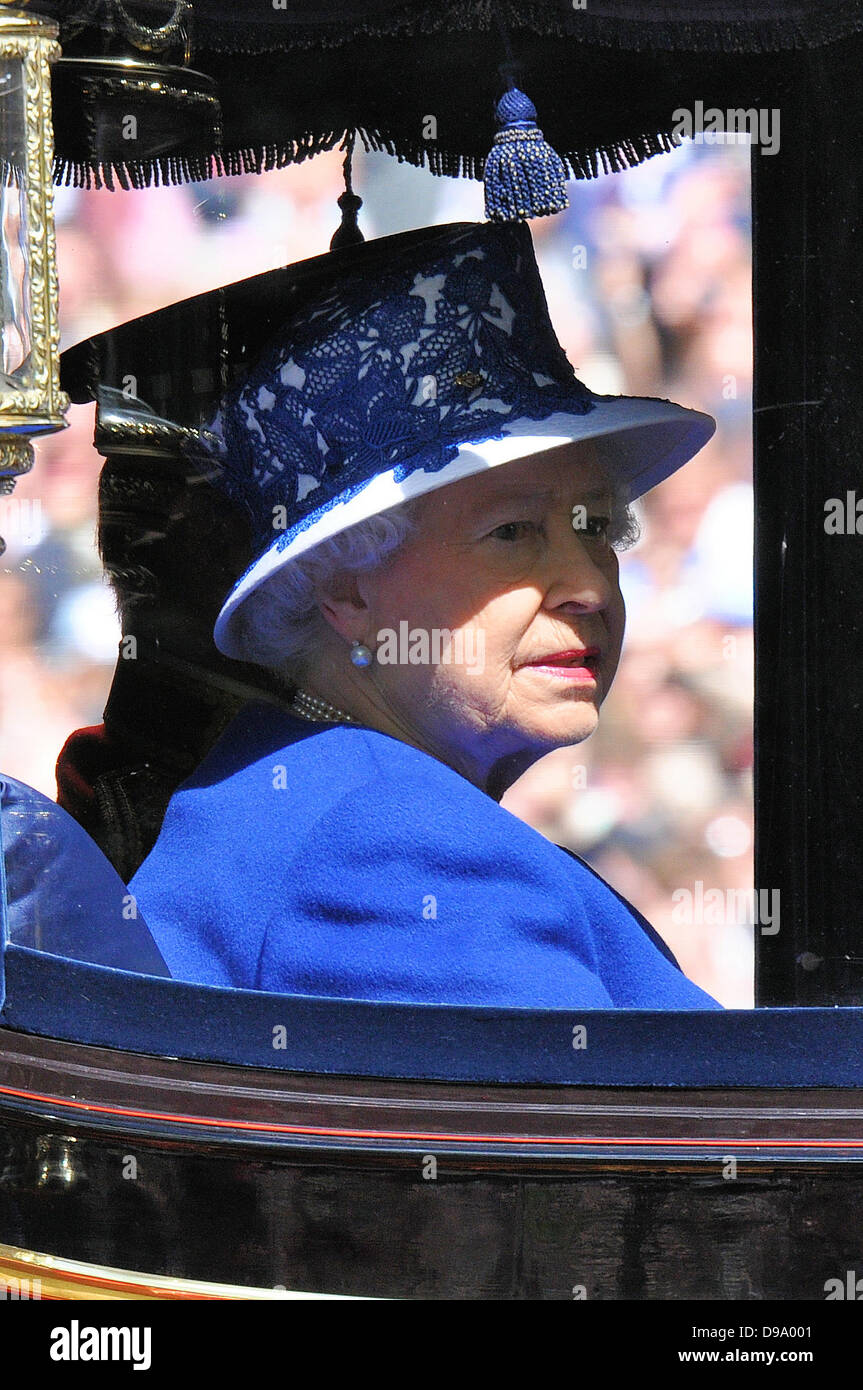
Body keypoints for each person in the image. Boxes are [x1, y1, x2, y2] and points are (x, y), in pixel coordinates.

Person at [129, 219, 722, 1009]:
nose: (587, 582)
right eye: (512, 532)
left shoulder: (327, 792)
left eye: (595, 528)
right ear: (344, 590)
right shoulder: (394, 844)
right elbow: (613, 1134)